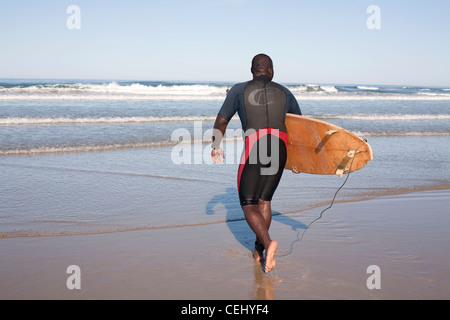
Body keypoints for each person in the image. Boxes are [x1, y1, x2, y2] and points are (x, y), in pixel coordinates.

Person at [211, 54, 302, 273]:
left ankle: (268, 244)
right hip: (279, 147)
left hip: (256, 145)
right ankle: (258, 251)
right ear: (271, 70)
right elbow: (300, 127)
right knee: (265, 201)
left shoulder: (239, 90)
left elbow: (222, 120)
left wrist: (216, 145)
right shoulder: (285, 92)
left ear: (252, 70)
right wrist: (299, 161)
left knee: (248, 203)